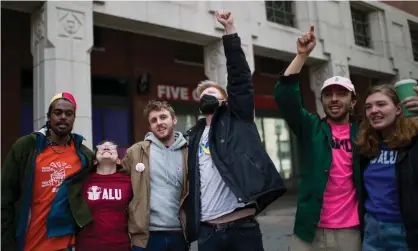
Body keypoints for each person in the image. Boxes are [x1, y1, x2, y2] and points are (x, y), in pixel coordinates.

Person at [185, 11, 286, 251]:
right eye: (202, 96)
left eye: (213, 94)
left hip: (242, 229)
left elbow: (240, 78)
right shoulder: (193, 136)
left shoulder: (237, 118)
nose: (207, 97)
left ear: (225, 100)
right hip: (208, 233)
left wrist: (229, 31)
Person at [275, 26, 363, 251]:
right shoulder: (311, 127)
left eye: (341, 94)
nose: (334, 99)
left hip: (351, 231)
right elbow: (286, 98)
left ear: (353, 102)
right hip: (308, 231)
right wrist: (302, 55)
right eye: (328, 95)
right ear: (322, 100)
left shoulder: (365, 133)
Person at [2, 92, 93, 251]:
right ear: (49, 117)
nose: (63, 117)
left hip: (68, 245)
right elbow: (5, 197)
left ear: (74, 118)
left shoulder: (84, 155)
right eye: (58, 113)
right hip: (30, 243)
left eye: (69, 113)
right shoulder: (27, 147)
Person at [356, 84, 418, 251]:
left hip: (406, 232)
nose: (373, 110)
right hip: (372, 230)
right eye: (368, 107)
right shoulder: (367, 148)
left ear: (398, 109)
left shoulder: (413, 144)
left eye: (381, 104)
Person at [121, 100, 189, 251]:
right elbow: (118, 181)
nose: (159, 122)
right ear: (150, 126)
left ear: (174, 119)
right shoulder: (136, 151)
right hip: (145, 236)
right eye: (154, 120)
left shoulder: (188, 153)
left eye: (163, 117)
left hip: (179, 234)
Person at [76, 140, 132, 251]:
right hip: (87, 245)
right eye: (101, 147)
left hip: (120, 245)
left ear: (118, 160)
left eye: (111, 147)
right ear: (95, 160)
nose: (106, 148)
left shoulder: (129, 181)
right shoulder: (82, 181)